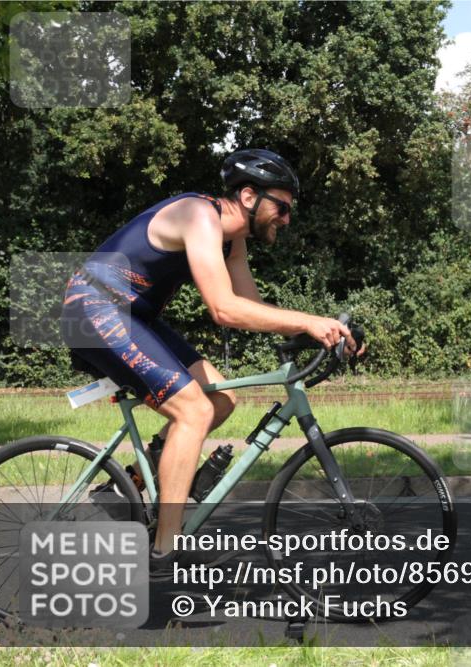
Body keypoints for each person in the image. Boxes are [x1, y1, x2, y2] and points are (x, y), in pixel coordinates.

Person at [61, 148, 357, 573]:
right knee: (194, 410)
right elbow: (222, 309)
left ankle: (125, 487)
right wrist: (310, 322)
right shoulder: (201, 216)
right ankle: (167, 548)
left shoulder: (232, 239)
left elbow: (249, 307)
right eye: (283, 206)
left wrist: (320, 332)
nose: (287, 218)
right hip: (93, 309)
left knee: (220, 399)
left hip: (131, 314)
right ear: (250, 196)